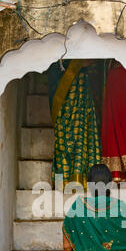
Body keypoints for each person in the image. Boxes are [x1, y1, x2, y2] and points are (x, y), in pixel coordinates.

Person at [47, 59, 103, 189]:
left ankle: (83, 178)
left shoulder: (88, 75)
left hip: (83, 102)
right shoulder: (57, 60)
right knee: (64, 141)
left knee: (83, 136)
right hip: (63, 98)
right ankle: (65, 180)